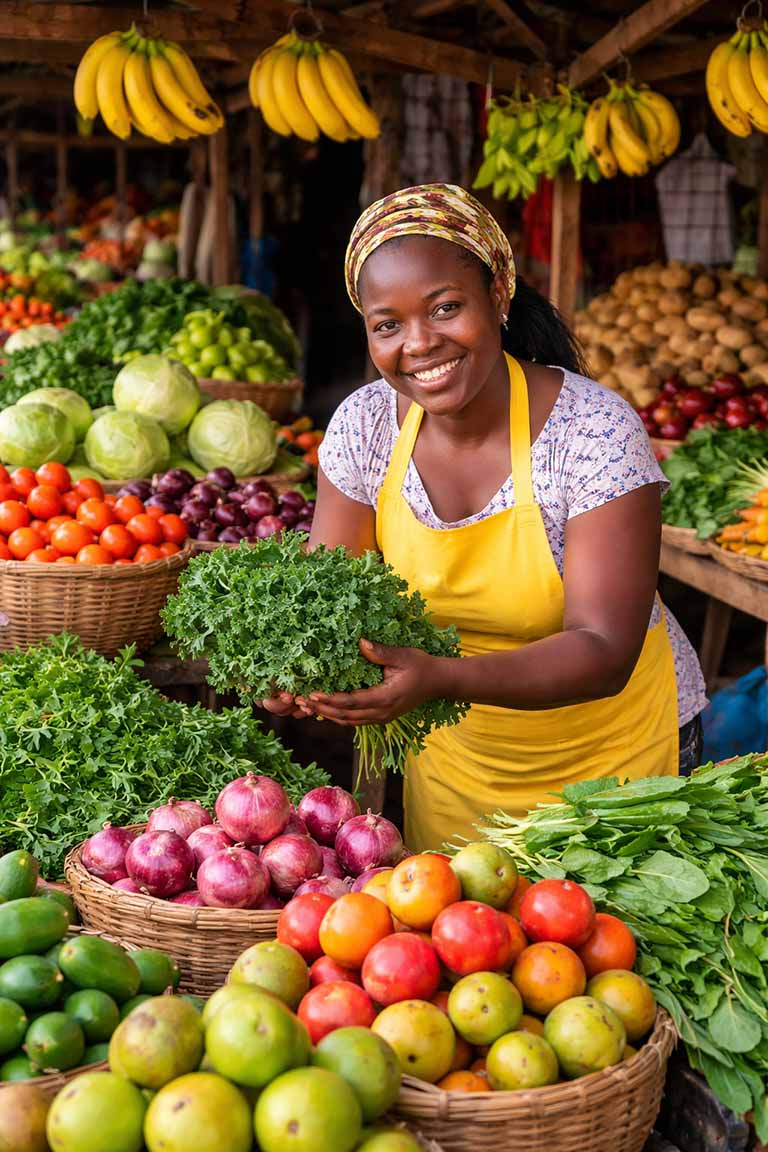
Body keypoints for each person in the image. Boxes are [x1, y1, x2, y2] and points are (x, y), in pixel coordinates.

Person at [263, 183, 707, 853]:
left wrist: (440, 678)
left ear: (498, 294)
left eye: (445, 307)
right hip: (459, 765)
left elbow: (604, 650)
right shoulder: (364, 429)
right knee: (464, 918)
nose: (419, 344)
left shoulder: (591, 430)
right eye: (387, 324)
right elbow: (330, 600)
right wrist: (298, 671)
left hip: (618, 762)